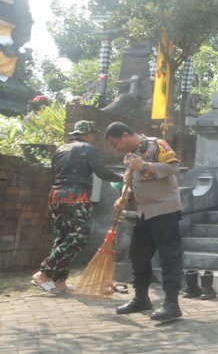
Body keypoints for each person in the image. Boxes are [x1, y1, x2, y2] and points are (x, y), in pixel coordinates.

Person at [31, 120, 122, 294]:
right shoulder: (88, 148)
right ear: (87, 134)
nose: (94, 137)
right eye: (93, 134)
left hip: (56, 195)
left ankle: (60, 282)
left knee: (62, 238)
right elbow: (101, 172)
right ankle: (43, 273)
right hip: (77, 197)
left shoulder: (60, 149)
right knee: (77, 237)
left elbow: (54, 174)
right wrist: (121, 177)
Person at [104, 122, 184, 322]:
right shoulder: (128, 157)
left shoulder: (156, 145)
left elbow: (174, 167)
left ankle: (172, 304)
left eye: (115, 144)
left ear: (125, 135)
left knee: (169, 256)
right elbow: (130, 183)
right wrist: (124, 196)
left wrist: (146, 165)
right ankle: (141, 298)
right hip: (144, 212)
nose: (116, 149)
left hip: (165, 209)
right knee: (138, 256)